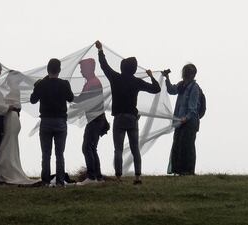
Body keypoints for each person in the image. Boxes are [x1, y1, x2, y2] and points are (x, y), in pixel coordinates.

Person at [95, 41, 161, 184]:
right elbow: (156, 89)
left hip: (119, 118)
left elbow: (104, 65)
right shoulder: (136, 81)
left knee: (118, 149)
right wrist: (150, 75)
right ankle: (138, 177)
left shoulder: (115, 78)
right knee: (135, 148)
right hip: (132, 118)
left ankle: (118, 177)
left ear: (122, 67)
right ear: (134, 69)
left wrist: (100, 50)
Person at [30, 58, 74, 187]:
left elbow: (33, 100)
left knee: (46, 154)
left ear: (47, 69)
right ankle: (60, 182)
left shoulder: (41, 84)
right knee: (59, 154)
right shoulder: (64, 84)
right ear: (59, 70)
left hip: (46, 121)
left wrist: (37, 85)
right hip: (60, 121)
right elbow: (71, 98)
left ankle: (45, 181)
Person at [0, 70, 39, 185]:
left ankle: (6, 168)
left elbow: (8, 104)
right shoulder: (14, 90)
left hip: (12, 117)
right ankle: (7, 168)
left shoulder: (13, 89)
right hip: (12, 117)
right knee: (9, 143)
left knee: (9, 142)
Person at [73, 58, 109, 186]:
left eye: (82, 69)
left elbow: (82, 99)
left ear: (88, 69)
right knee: (92, 148)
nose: (81, 71)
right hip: (97, 119)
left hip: (95, 120)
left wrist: (68, 95)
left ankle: (92, 177)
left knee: (87, 147)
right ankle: (98, 177)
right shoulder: (92, 82)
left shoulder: (92, 83)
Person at [163, 64, 201, 175]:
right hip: (180, 121)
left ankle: (188, 171)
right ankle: (178, 170)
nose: (184, 74)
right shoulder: (181, 85)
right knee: (177, 145)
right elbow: (171, 90)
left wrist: (186, 118)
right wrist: (167, 78)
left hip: (189, 123)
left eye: (187, 72)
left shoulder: (194, 88)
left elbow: (193, 108)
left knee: (187, 146)